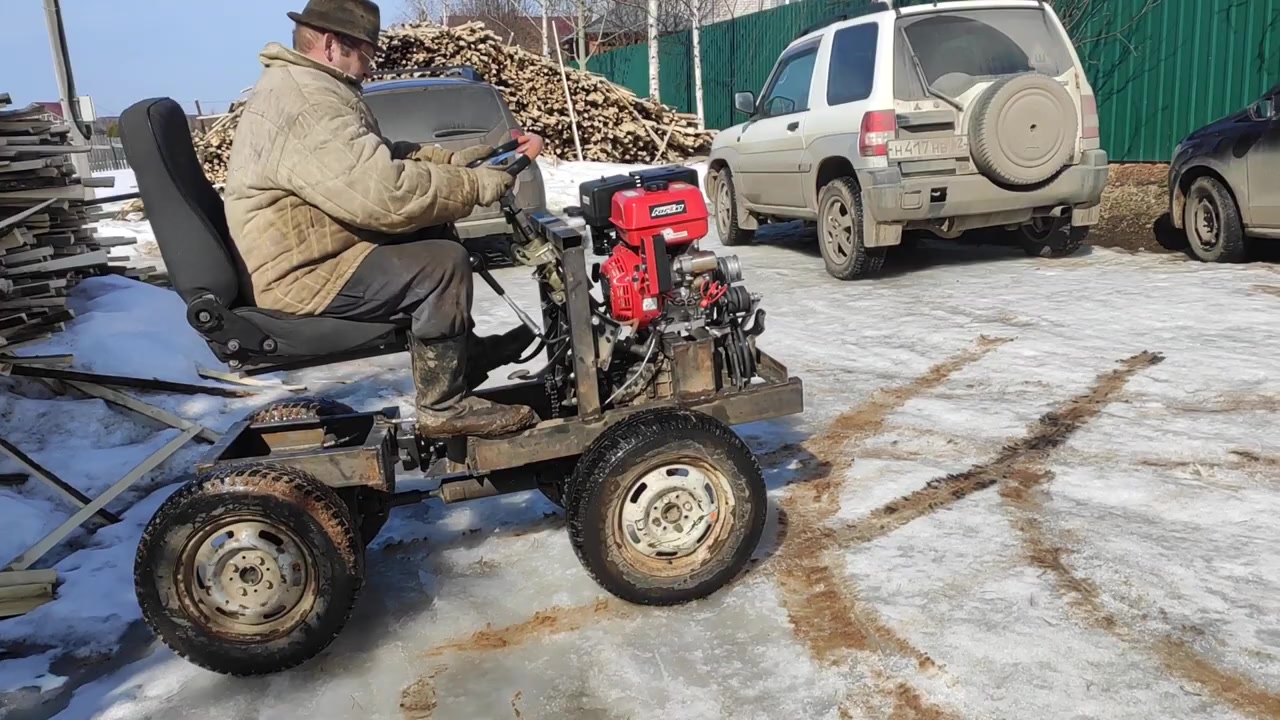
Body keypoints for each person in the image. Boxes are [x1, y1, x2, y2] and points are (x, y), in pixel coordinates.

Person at [223, 0, 543, 439]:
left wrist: (467, 159)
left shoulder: (311, 86)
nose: (370, 69)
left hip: (315, 251)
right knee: (440, 266)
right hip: (302, 273)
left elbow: (380, 156)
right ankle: (442, 408)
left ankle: (461, 359)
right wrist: (477, 186)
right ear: (333, 45)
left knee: (431, 228)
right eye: (368, 54)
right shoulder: (308, 103)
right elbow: (385, 197)